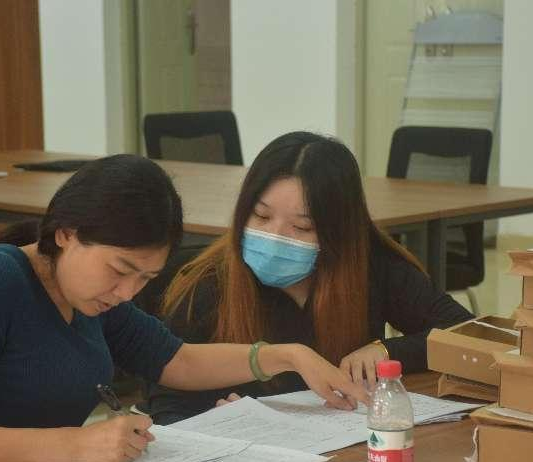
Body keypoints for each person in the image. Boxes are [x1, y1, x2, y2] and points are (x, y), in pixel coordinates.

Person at [0, 154, 368, 462]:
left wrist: (287, 356)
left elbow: (176, 361)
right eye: (120, 270)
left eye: (145, 278)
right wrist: (76, 445)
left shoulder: (90, 298)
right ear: (66, 233)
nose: (127, 293)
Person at [142, 132, 473, 424]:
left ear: (338, 233)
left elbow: (465, 332)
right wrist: (213, 421)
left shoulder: (369, 265)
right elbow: (167, 403)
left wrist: (387, 351)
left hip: (345, 452)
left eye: (302, 227)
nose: (275, 238)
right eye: (261, 216)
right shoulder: (209, 282)